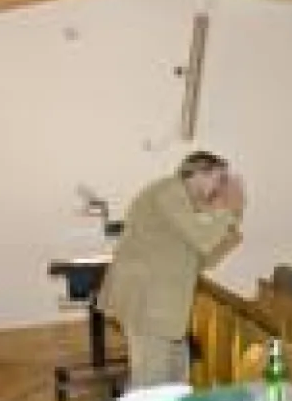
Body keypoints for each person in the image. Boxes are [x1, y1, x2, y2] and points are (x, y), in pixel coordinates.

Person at [99, 151, 244, 388]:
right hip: (148, 303)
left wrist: (230, 217)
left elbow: (204, 258)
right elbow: (203, 239)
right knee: (150, 382)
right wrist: (228, 210)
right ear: (198, 173)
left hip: (165, 306)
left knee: (177, 378)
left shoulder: (185, 204)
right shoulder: (169, 192)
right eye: (219, 180)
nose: (221, 189)